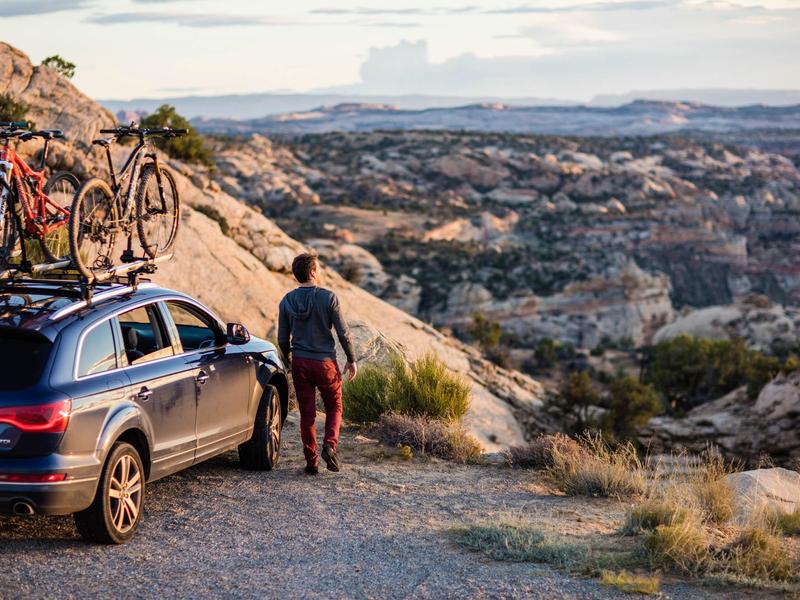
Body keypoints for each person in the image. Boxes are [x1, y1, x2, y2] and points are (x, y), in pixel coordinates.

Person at [278, 253, 357, 475]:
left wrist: (289, 363)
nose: (320, 272)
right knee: (334, 406)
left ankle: (311, 462)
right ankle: (330, 445)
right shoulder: (328, 297)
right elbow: (344, 333)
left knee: (307, 414)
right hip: (324, 363)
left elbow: (283, 339)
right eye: (319, 269)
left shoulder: (286, 301)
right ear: (312, 272)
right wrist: (351, 360)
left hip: (300, 362)